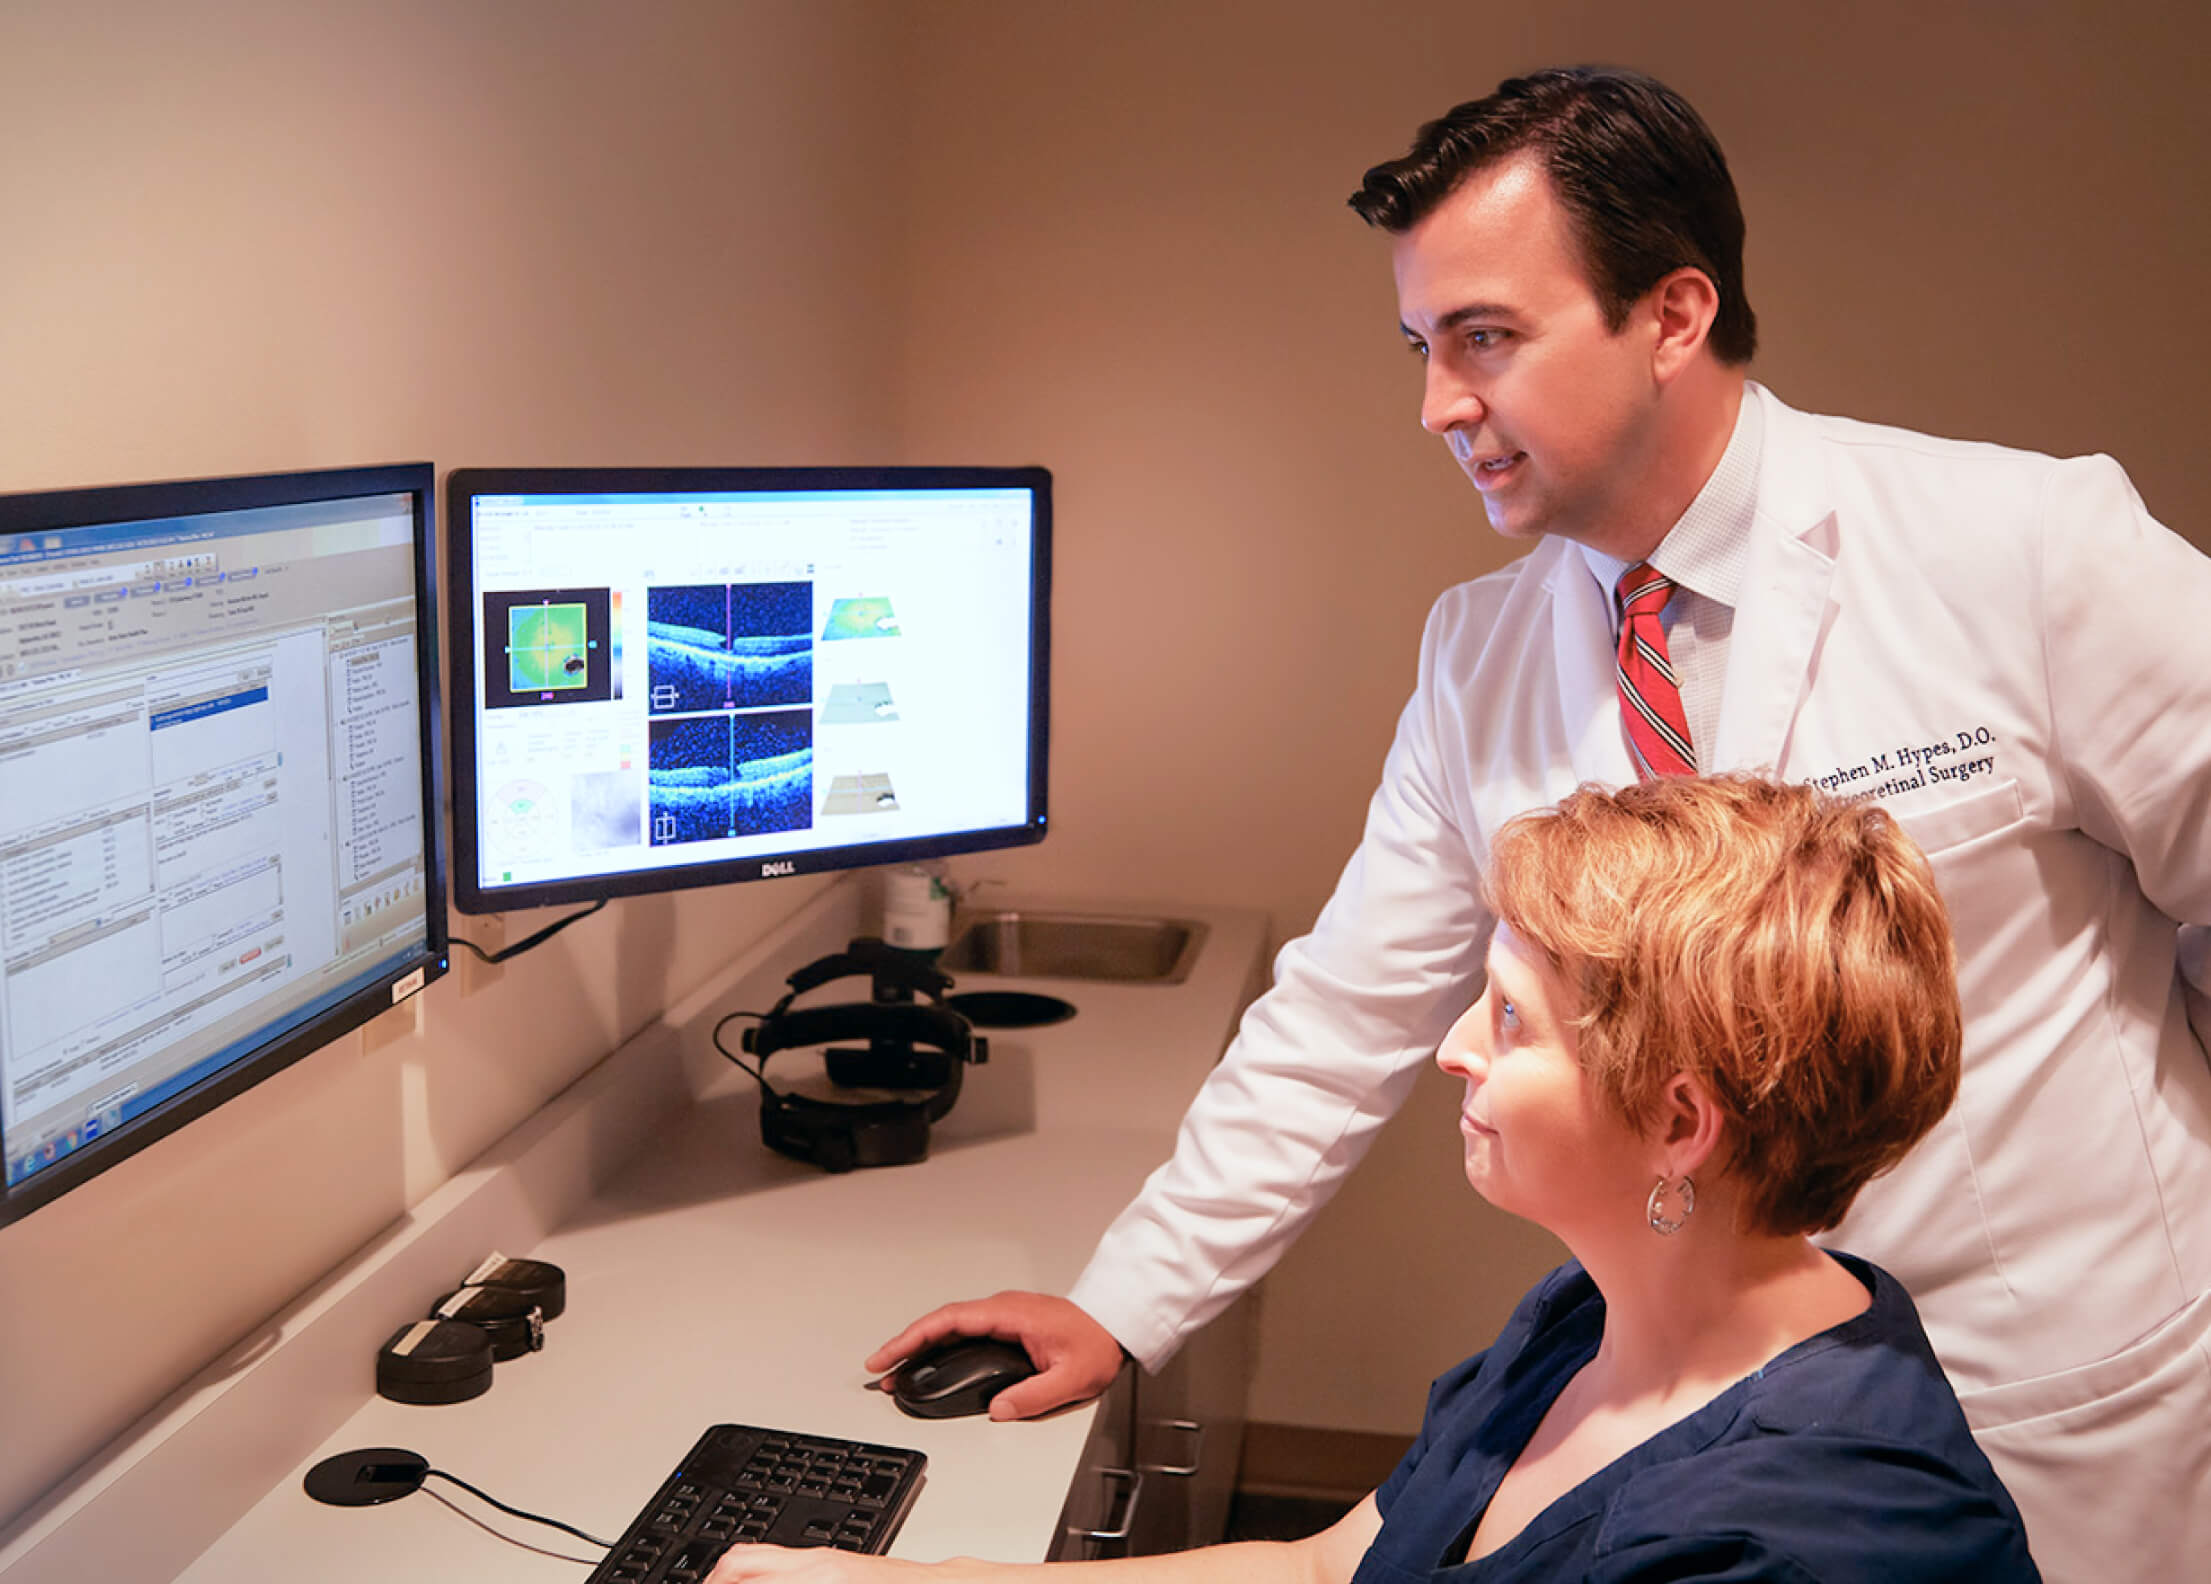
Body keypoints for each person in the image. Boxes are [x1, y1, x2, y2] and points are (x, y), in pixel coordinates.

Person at [871, 68, 2211, 1578]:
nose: (1438, 403)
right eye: (1423, 346)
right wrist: (1124, 1303)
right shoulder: (1479, 653)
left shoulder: (2018, 549)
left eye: (1485, 339)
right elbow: (1347, 1011)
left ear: (1674, 315)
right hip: (1700, 1400)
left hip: (2045, 1382)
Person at [715, 778, 2039, 1582]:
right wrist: (915, 1580)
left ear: (1681, 1124)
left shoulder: (1796, 1546)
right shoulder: (1598, 1318)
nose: (1456, 1050)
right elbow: (1324, 1565)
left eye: (1512, 1020)